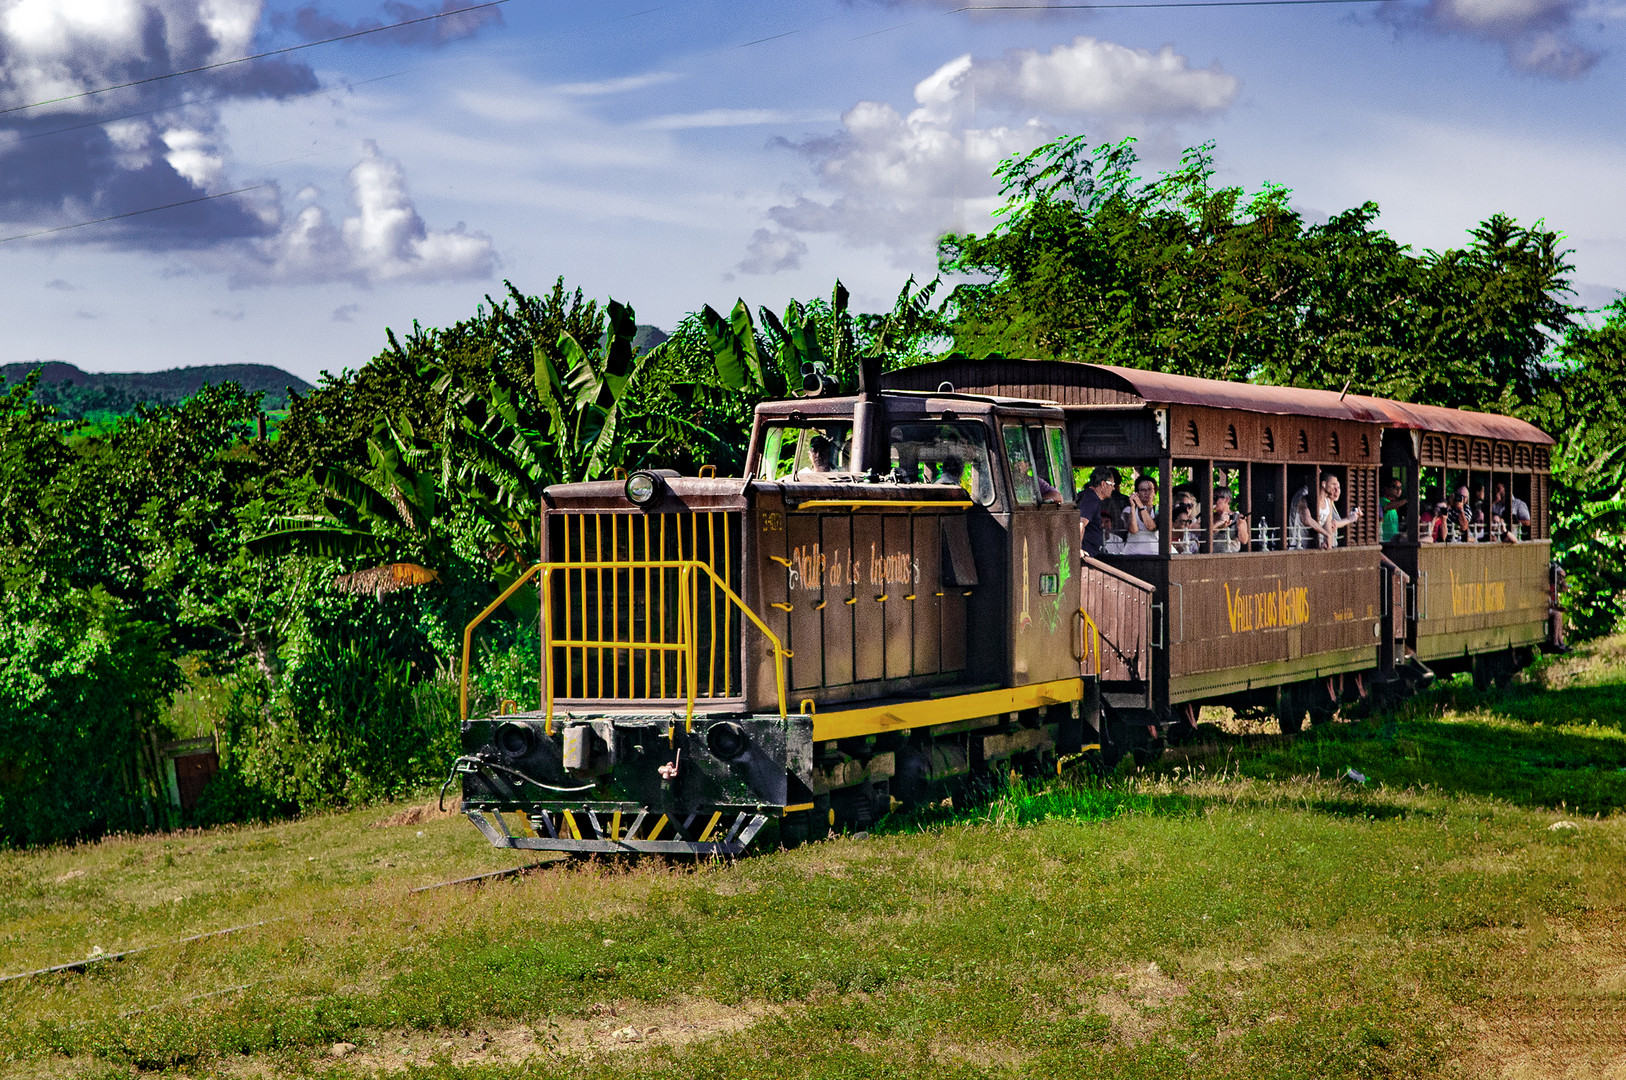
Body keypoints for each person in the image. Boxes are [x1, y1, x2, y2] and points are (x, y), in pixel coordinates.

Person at [1292, 472, 1362, 549]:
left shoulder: (1328, 502)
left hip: (1317, 548)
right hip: (1300, 547)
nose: (1336, 489)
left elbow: (1327, 524)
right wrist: (1327, 534)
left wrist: (1327, 540)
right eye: (1333, 484)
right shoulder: (1304, 499)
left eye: (1338, 487)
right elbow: (1307, 520)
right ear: (1324, 484)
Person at [1077, 466, 1119, 557]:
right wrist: (1078, 549)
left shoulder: (1089, 496)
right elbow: (1081, 523)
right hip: (1084, 554)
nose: (1113, 488)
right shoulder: (1091, 499)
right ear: (1103, 484)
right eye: (1112, 484)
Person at [1121, 474, 1159, 554]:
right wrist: (1133, 505)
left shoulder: (1158, 510)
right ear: (1137, 492)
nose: (1146, 493)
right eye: (1142, 490)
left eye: (1149, 489)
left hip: (1154, 553)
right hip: (1132, 552)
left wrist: (1141, 506)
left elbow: (1151, 527)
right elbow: (1133, 530)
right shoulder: (1128, 510)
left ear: (1155, 492)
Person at [1211, 487, 1250, 552]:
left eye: (1215, 498)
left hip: (1230, 555)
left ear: (1227, 500)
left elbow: (1244, 540)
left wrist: (1240, 525)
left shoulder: (1237, 517)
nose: (1213, 501)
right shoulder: (1210, 517)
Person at [1380, 476, 1407, 542]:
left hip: (1394, 541)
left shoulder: (1396, 505)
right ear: (1386, 489)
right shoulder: (1381, 501)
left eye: (1400, 488)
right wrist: (1407, 499)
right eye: (1395, 487)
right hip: (1384, 541)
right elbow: (1387, 506)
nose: (1399, 490)